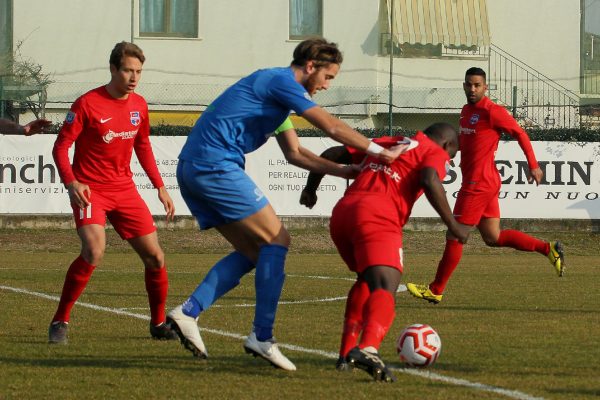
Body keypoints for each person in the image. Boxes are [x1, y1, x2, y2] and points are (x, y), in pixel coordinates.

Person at [166, 38, 406, 372]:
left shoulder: (274, 97)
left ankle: (189, 312)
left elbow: (295, 153)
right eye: (328, 76)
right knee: (278, 240)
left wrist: (342, 170)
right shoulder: (280, 82)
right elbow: (331, 126)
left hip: (194, 167)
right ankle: (262, 337)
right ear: (310, 66)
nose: (327, 85)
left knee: (255, 252)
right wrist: (380, 152)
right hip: (214, 164)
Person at [301, 123, 469, 381]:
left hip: (344, 213)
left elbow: (333, 153)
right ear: (447, 145)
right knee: (385, 284)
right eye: (451, 156)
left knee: (365, 280)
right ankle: (369, 348)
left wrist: (310, 189)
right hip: (377, 215)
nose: (448, 162)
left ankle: (346, 354)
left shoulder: (389, 141)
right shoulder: (432, 150)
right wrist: (454, 225)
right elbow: (429, 178)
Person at [49, 41, 177, 344]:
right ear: (113, 69)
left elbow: (143, 146)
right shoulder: (87, 103)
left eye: (139, 72)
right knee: (94, 250)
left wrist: (160, 186)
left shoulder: (139, 105)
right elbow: (61, 146)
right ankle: (60, 321)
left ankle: (158, 323)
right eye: (128, 70)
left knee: (156, 258)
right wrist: (72, 182)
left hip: (124, 190)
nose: (134, 77)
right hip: (91, 191)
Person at [406, 67, 565, 305]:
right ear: (464, 85)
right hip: (484, 181)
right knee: (492, 237)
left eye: (477, 85)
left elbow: (520, 134)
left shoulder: (493, 112)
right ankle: (548, 249)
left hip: (478, 184)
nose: (472, 89)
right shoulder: (466, 111)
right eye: (469, 84)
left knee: (455, 235)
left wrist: (533, 165)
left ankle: (435, 289)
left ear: (485, 87)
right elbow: (469, 144)